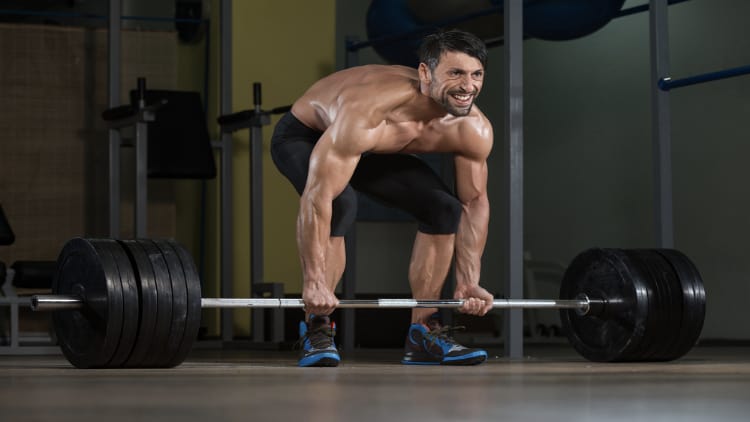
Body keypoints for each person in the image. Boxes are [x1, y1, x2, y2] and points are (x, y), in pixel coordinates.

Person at [270, 29, 494, 367]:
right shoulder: (370, 109)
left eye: (476, 75)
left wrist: (468, 281)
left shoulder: (472, 128)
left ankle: (423, 331)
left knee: (444, 207)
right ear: (424, 73)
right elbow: (320, 198)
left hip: (376, 149)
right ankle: (317, 326)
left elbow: (474, 202)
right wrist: (313, 281)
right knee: (342, 202)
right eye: (456, 73)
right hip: (309, 137)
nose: (468, 86)